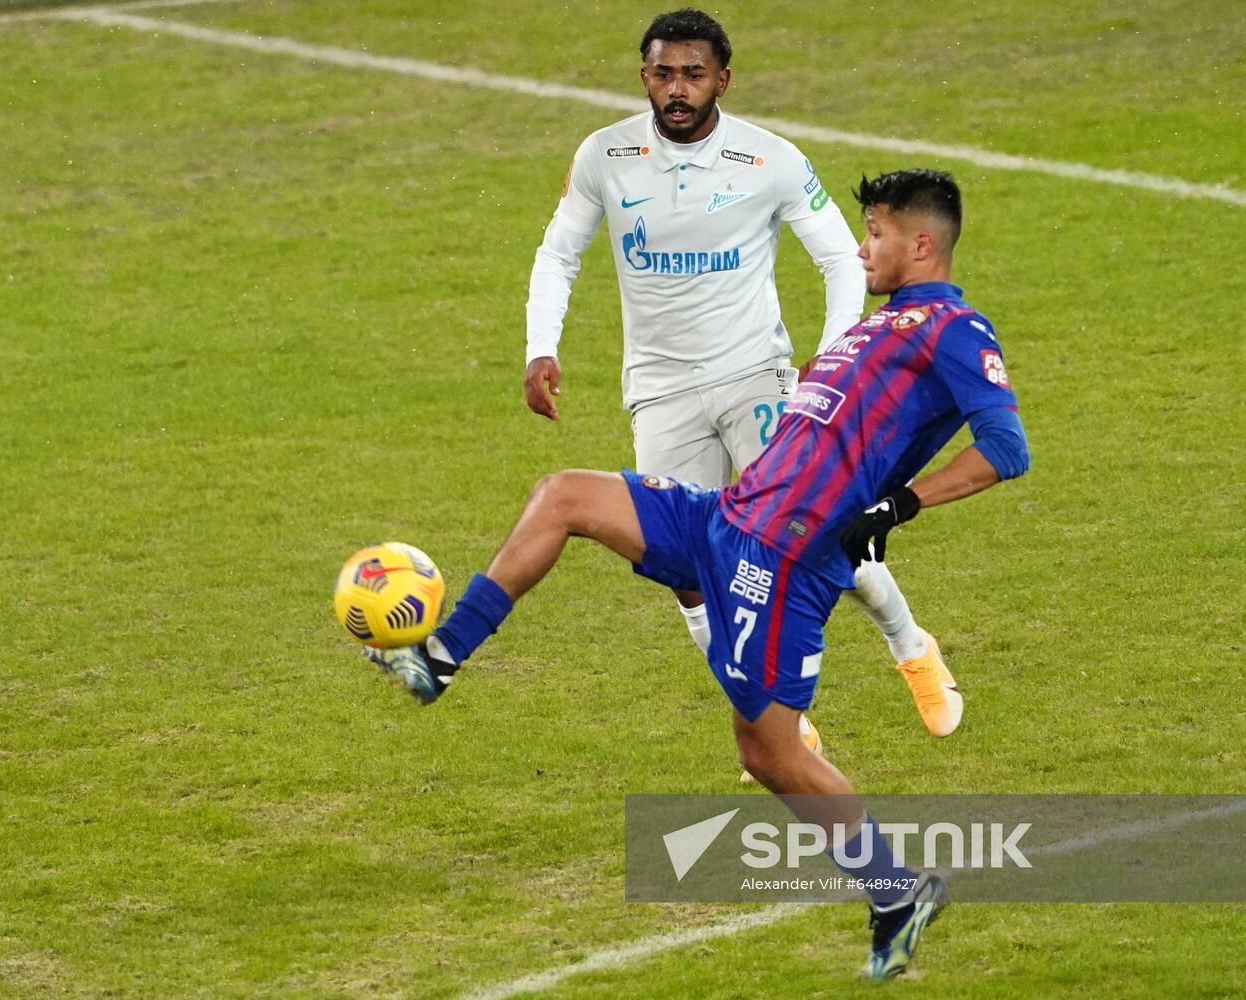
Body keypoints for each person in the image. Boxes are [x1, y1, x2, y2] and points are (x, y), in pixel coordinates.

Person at [368, 169, 1030, 978]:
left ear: (920, 243)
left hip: (785, 563)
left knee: (768, 753)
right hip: (725, 517)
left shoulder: (956, 330)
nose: (862, 249)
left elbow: (1005, 449)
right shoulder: (876, 326)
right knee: (564, 496)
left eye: (877, 235)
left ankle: (895, 887)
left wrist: (897, 507)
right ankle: (437, 659)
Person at [523, 9, 960, 764]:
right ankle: (774, 722)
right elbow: (558, 253)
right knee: (689, 571)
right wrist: (540, 347)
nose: (677, 88)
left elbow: (838, 260)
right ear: (644, 77)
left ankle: (909, 644)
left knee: (814, 536)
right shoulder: (604, 155)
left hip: (752, 374)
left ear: (722, 79)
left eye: (693, 73)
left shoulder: (771, 161)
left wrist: (828, 360)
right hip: (658, 390)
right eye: (663, 73)